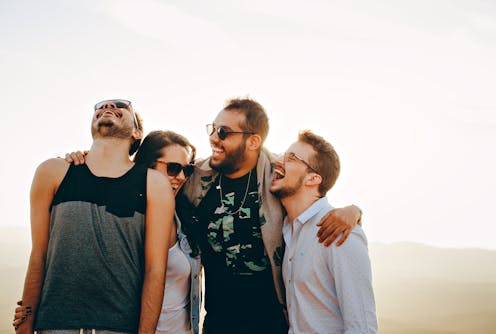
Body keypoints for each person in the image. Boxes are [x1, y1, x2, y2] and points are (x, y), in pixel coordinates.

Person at [180, 97, 362, 333]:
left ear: (253, 141)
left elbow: (312, 195)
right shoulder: (196, 178)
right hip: (216, 323)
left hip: (273, 324)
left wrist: (353, 211)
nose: (213, 138)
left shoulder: (276, 177)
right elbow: (161, 184)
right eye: (212, 129)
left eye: (224, 132)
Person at [15, 100, 175, 334]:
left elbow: (155, 269)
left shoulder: (154, 183)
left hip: (119, 327)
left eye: (121, 105)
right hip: (54, 325)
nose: (107, 105)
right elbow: (39, 254)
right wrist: (25, 321)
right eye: (99, 106)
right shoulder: (53, 171)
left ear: (136, 132)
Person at [270, 130, 377, 333]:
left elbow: (362, 326)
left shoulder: (340, 231)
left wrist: (355, 211)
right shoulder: (288, 230)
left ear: (312, 179)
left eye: (291, 158)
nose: (278, 161)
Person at [133, 130, 201, 334]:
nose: (181, 177)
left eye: (187, 170)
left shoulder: (183, 217)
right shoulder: (129, 218)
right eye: (172, 168)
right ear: (147, 166)